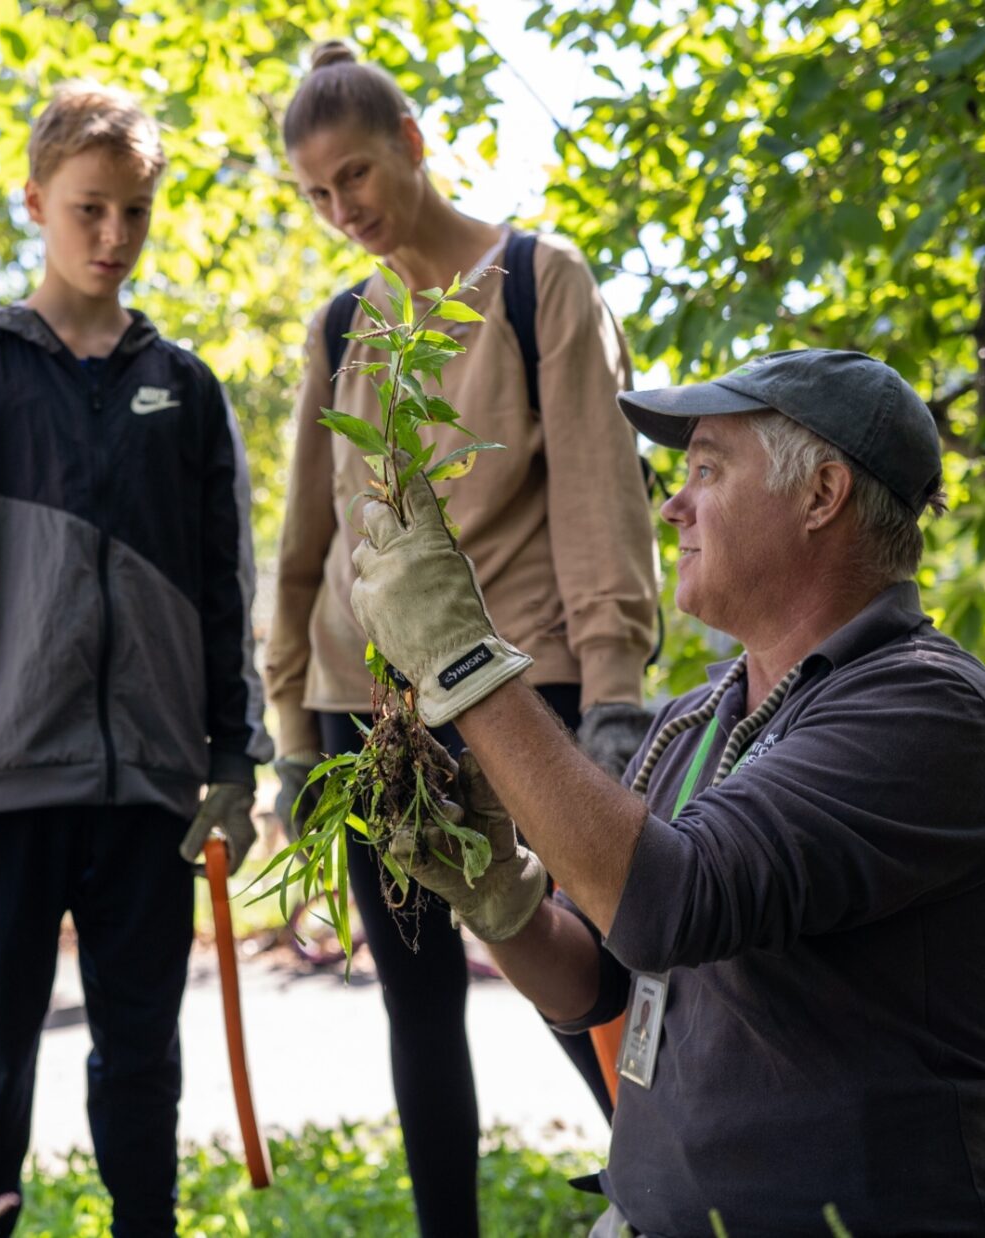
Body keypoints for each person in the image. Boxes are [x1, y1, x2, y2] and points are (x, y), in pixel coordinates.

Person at [355, 348, 985, 1235]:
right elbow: (602, 980)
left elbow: (672, 902)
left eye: (707, 468)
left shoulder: (926, 710)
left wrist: (463, 659)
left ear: (822, 496)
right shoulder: (703, 719)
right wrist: (498, 895)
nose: (672, 504)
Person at [265, 40, 658, 1234]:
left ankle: (666, 1186)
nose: (343, 211)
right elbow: (301, 543)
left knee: (600, 974)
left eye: (357, 177)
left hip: (523, 692)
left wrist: (618, 690)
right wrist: (291, 724)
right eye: (316, 195)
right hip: (367, 703)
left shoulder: (541, 284)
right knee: (418, 997)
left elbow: (602, 499)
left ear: (413, 144)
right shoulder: (342, 327)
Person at [0, 83, 273, 1238]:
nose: (113, 237)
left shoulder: (187, 391)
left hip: (148, 787)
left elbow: (222, 586)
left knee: (142, 1052)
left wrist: (233, 760)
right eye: (89, 209)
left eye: (135, 212)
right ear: (36, 202)